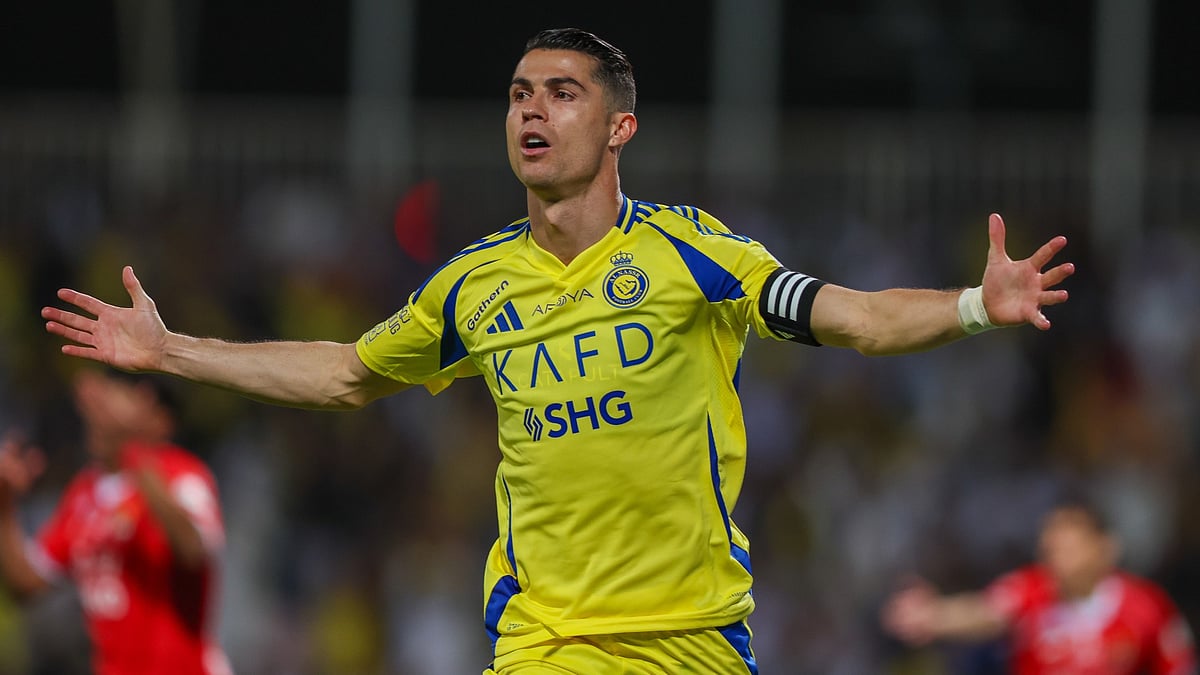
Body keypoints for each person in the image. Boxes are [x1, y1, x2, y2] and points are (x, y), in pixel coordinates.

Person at [40, 27, 1073, 674]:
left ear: (621, 126)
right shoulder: (473, 285)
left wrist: (973, 307)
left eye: (560, 92)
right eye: (518, 93)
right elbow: (349, 372)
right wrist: (174, 354)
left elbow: (852, 316)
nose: (531, 108)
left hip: (693, 642)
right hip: (547, 643)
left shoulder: (694, 254)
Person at [0, 370, 230, 675]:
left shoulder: (184, 476)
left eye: (115, 393)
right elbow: (26, 584)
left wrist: (131, 449)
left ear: (159, 419)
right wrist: (4, 505)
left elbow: (193, 550)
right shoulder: (83, 493)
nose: (97, 405)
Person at [881, 498, 1196, 674]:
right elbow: (985, 611)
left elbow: (1178, 665)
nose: (1058, 560)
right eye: (1051, 550)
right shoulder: (1030, 591)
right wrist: (936, 616)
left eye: (1070, 549)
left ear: (1104, 549)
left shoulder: (1146, 607)